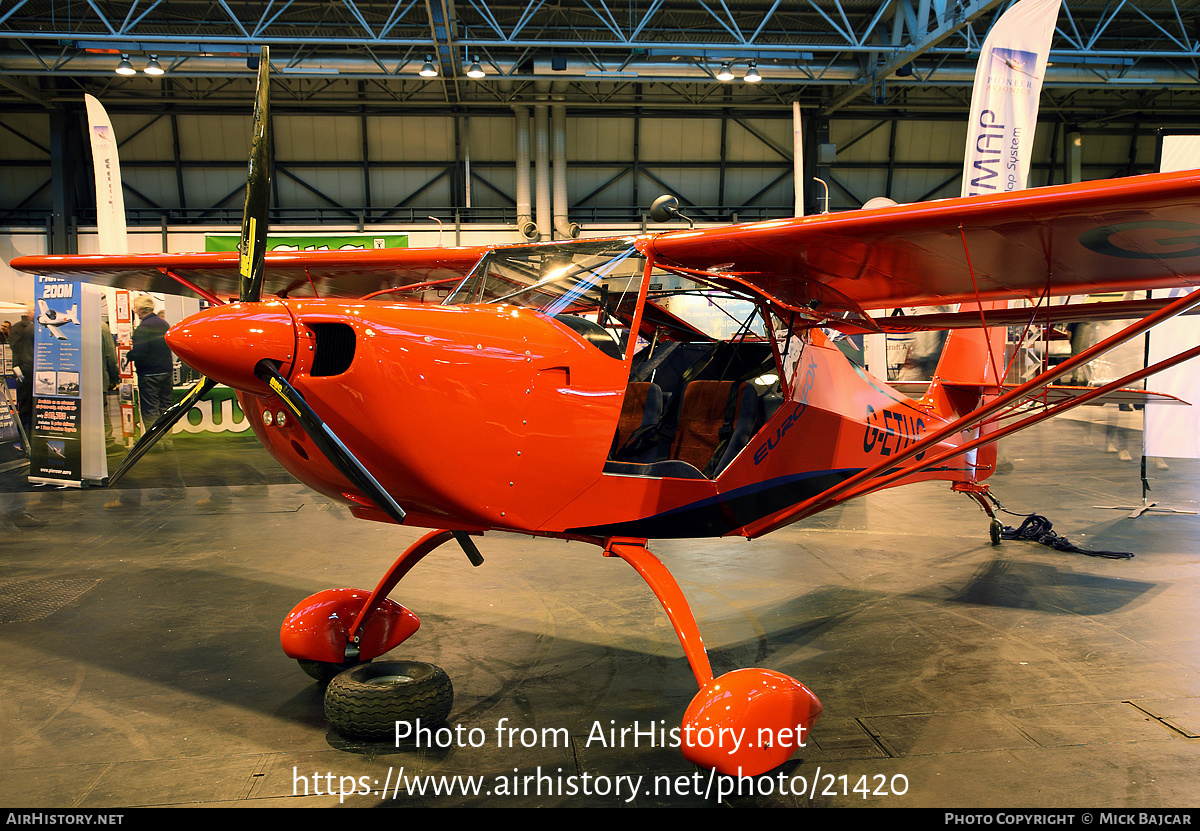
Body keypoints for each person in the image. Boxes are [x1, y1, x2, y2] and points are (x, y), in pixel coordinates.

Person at [126, 295, 174, 443]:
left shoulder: (142, 329)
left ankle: (155, 442)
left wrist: (129, 354)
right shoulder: (164, 324)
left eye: (135, 309)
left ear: (141, 309)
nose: (134, 311)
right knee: (166, 408)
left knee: (150, 409)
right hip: (166, 371)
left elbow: (140, 353)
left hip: (149, 374)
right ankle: (167, 440)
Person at [9, 304, 34, 436]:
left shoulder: (30, 327)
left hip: (28, 371)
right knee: (25, 407)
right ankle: (23, 437)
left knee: (30, 407)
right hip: (24, 372)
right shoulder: (20, 327)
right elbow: (15, 347)